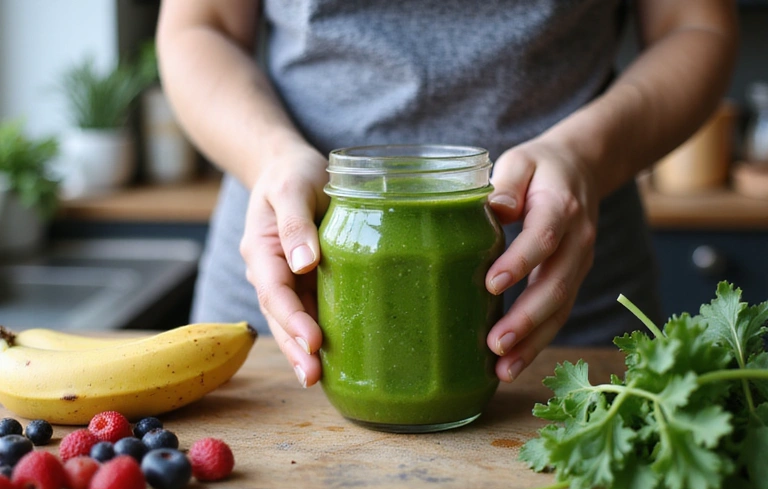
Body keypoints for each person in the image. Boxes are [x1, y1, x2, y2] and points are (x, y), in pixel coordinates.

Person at [155, 1, 738, 389]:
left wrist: (585, 155)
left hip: (558, 285)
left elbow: (697, 25)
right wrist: (271, 157)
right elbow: (199, 24)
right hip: (292, 271)